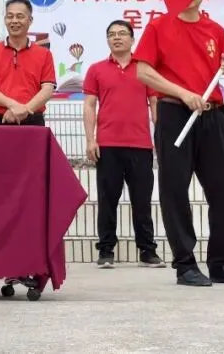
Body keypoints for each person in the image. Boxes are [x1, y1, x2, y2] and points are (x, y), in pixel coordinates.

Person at [134, 0, 224, 287]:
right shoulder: (160, 26)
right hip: (174, 113)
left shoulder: (216, 30)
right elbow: (143, 71)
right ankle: (185, 264)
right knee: (175, 190)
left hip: (212, 116)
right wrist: (182, 92)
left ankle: (220, 262)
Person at [82, 20, 162, 269]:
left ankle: (147, 251)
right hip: (108, 145)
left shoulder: (145, 70)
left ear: (132, 39)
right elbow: (89, 105)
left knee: (142, 200)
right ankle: (105, 250)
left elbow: (155, 106)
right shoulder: (96, 70)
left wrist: (159, 139)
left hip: (140, 145)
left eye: (122, 34)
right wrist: (90, 139)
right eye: (111, 34)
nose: (116, 38)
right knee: (108, 201)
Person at [0, 0, 56, 126]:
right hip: (0, 118)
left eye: (20, 16)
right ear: (5, 20)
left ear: (30, 20)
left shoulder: (44, 54)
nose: (14, 21)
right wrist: (13, 105)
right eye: (10, 16)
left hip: (33, 118)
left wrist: (25, 110)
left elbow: (47, 89)